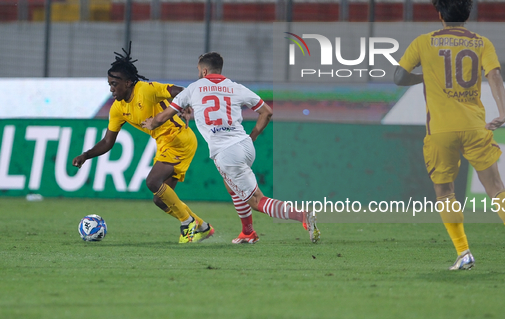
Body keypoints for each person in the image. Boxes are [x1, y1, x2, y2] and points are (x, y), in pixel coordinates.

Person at [393, 0, 505, 271]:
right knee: (496, 188)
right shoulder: (481, 42)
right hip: (474, 126)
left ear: (440, 15)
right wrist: (504, 111)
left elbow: (398, 77)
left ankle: (464, 253)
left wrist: (425, 77)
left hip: (441, 131)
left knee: (445, 193)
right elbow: (494, 75)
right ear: (467, 15)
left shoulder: (423, 42)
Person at [142, 52, 320, 244]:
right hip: (244, 145)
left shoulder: (193, 89)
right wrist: (252, 137)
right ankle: (248, 232)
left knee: (257, 201)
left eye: (198, 70)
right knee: (232, 187)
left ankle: (302, 215)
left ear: (204, 70)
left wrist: (151, 123)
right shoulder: (236, 87)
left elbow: (163, 116)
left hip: (226, 152)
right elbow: (266, 112)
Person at [72, 43, 214, 244]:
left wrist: (187, 104)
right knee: (160, 200)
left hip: (177, 139)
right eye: (109, 84)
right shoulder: (117, 109)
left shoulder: (146, 90)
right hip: (166, 144)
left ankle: (187, 223)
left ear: (129, 82)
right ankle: (202, 227)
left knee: (152, 182)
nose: (112, 88)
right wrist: (86, 155)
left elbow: (176, 90)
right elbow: (107, 141)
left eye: (115, 83)